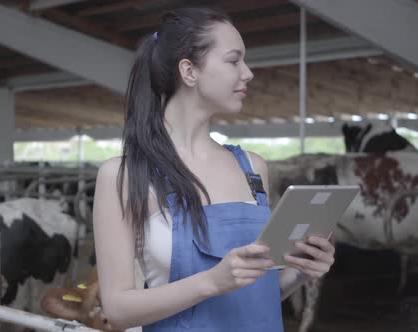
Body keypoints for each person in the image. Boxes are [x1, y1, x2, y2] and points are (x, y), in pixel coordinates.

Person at [93, 7, 335, 331]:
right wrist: (212, 281)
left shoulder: (253, 169)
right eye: (234, 60)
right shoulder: (123, 176)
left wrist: (299, 272)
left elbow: (254, 297)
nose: (247, 73)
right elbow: (118, 309)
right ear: (189, 71)